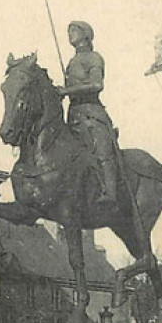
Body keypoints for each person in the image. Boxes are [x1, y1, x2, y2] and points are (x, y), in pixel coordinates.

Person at [59, 21, 119, 212]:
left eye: (74, 30)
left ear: (85, 35)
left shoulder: (93, 58)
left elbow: (97, 85)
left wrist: (67, 90)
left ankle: (110, 192)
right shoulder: (72, 62)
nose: (70, 33)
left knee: (101, 150)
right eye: (69, 30)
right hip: (74, 114)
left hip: (92, 114)